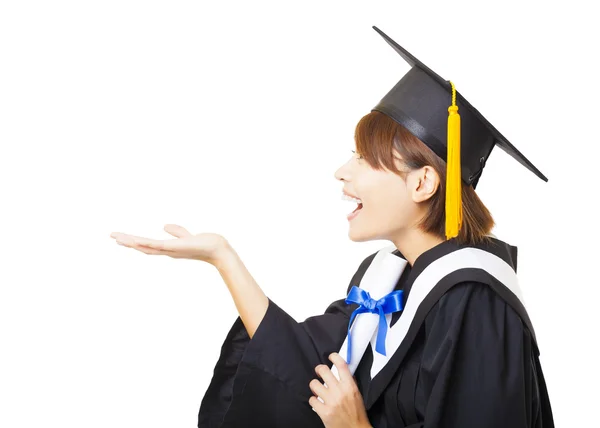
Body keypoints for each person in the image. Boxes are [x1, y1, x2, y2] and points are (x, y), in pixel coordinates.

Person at [110, 26, 555, 428]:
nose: (342, 172)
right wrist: (224, 258)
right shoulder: (387, 279)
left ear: (423, 182)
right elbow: (302, 368)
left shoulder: (476, 303)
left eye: (364, 158)